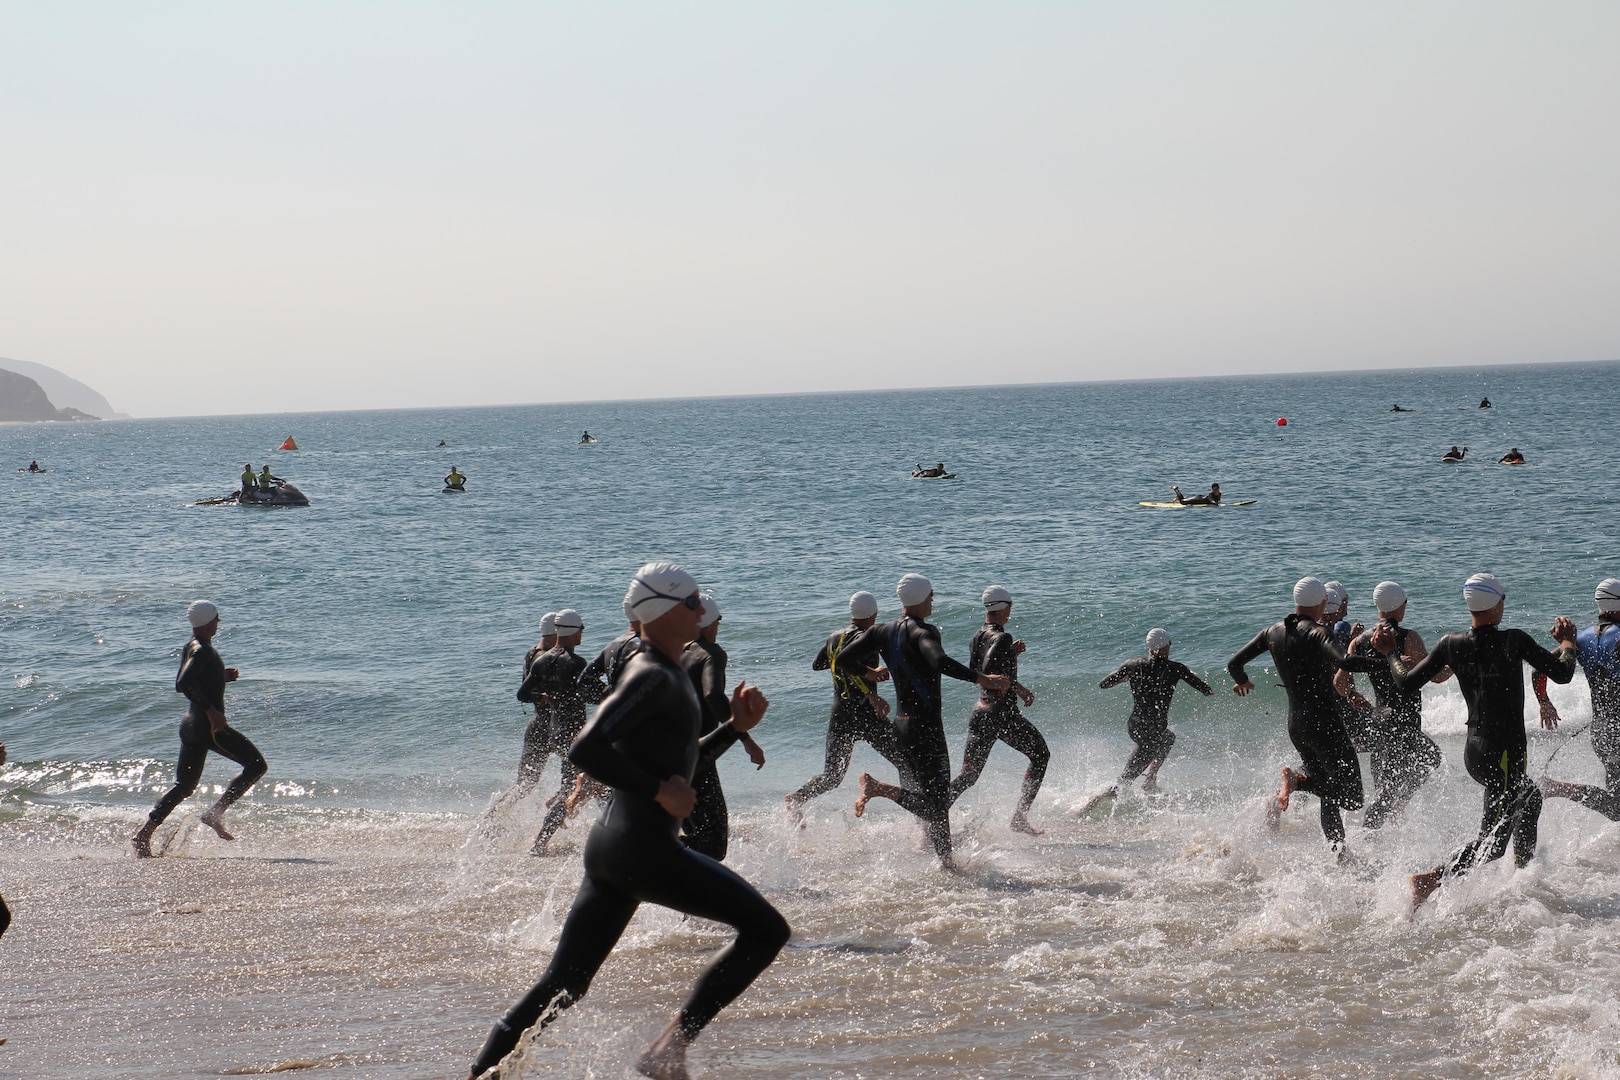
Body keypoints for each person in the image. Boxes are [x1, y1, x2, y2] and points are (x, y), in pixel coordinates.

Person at [466, 563, 789, 1080]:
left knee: (564, 985)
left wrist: (733, 728)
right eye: (691, 603)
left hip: (617, 848)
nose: (701, 611)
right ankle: (668, 1050)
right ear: (661, 610)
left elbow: (685, 765)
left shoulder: (670, 670)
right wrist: (659, 789)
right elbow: (586, 748)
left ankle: (482, 1076)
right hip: (644, 850)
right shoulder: (651, 674)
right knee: (767, 930)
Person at [1370, 574, 1578, 908]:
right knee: (1492, 844)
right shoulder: (1514, 640)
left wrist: (1392, 652)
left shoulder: (1451, 643)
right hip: (1505, 754)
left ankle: (1522, 877)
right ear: (1496, 604)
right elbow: (1563, 673)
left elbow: (1406, 682)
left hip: (1476, 751)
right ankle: (1430, 881)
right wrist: (1568, 643)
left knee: (1531, 798)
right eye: (1503, 599)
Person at [842, 574, 1009, 870]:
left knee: (934, 799)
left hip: (901, 727)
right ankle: (880, 789)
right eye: (931, 595)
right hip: (926, 729)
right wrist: (984, 679)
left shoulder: (883, 630)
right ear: (921, 598)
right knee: (938, 803)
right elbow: (939, 661)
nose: (933, 599)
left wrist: (870, 673)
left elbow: (843, 659)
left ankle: (946, 862)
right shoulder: (924, 631)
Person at [1227, 577, 1380, 855]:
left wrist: (1242, 681)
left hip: (1296, 725)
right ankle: (1297, 781)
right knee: (1353, 797)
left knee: (1329, 793)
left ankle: (1339, 852)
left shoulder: (1272, 631)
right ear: (1322, 602)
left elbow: (1234, 663)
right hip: (1325, 724)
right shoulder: (1318, 632)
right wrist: (1386, 661)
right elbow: (1344, 661)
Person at [131, 601, 268, 857]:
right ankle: (215, 813)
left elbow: (191, 679)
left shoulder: (192, 646)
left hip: (190, 726)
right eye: (217, 618)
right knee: (256, 765)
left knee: (184, 786)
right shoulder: (203, 650)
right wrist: (212, 711)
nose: (218, 622)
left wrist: (219, 675)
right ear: (207, 622)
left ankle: (143, 835)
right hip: (207, 727)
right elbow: (183, 682)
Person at [1335, 581, 1448, 828]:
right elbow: (1437, 676)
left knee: (1386, 791)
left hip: (1380, 721)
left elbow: (1340, 684)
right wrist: (1455, 663)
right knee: (1430, 760)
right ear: (1401, 605)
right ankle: (1371, 832)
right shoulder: (1408, 637)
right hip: (1404, 722)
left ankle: (1380, 827)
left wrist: (1352, 694)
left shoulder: (1359, 641)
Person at [785, 591, 905, 820]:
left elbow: (818, 664)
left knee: (832, 776)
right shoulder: (867, 637)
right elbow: (847, 664)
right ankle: (922, 815)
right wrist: (871, 692)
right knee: (904, 760)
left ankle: (798, 797)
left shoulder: (834, 636)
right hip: (866, 715)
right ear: (874, 613)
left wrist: (845, 665)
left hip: (841, 714)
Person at [945, 586, 1048, 835]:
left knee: (968, 776)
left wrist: (1011, 653)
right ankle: (1020, 818)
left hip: (981, 711)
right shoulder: (1002, 637)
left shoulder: (977, 636)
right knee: (1041, 756)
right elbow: (991, 667)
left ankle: (934, 810)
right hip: (1001, 714)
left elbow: (975, 668)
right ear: (1004, 608)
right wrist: (1019, 687)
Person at [1084, 628, 1213, 811]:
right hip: (1153, 730)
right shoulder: (1176, 669)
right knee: (1125, 781)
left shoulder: (1132, 665)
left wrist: (1125, 678)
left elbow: (1104, 684)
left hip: (1135, 725)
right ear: (1166, 646)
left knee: (1168, 738)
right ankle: (1093, 802)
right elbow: (1205, 689)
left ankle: (1150, 781)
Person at [679, 593, 765, 861]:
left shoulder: (679, 652)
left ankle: (682, 890)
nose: (718, 627)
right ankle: (651, 853)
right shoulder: (711, 653)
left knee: (695, 833)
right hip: (698, 757)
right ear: (707, 623)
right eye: (718, 621)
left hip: (671, 753)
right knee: (714, 846)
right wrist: (744, 736)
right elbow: (713, 695)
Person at [520, 610, 604, 855]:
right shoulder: (576, 663)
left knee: (590, 784)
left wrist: (543, 698)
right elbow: (593, 694)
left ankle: (619, 831)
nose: (582, 635)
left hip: (554, 731)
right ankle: (539, 844)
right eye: (581, 630)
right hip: (573, 735)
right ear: (575, 631)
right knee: (585, 786)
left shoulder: (542, 660)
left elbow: (522, 694)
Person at [1538, 578, 1620, 820]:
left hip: (1603, 731)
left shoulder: (1580, 640)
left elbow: (1539, 669)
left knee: (1617, 806)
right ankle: (1554, 787)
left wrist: (1544, 702)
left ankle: (1554, 787)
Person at [513, 612, 560, 793]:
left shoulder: (532, 652)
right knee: (582, 774)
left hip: (537, 726)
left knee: (524, 785)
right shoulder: (544, 658)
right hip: (549, 727)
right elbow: (531, 693)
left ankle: (493, 818)